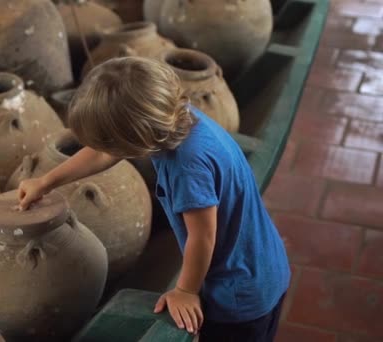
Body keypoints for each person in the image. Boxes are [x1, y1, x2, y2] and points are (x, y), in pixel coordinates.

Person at [17, 57, 290, 341]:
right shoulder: (172, 116)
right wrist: (45, 181)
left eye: (110, 140)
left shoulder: (187, 166)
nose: (104, 148)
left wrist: (185, 290)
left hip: (239, 293)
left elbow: (203, 237)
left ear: (135, 137)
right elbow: (102, 152)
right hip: (263, 264)